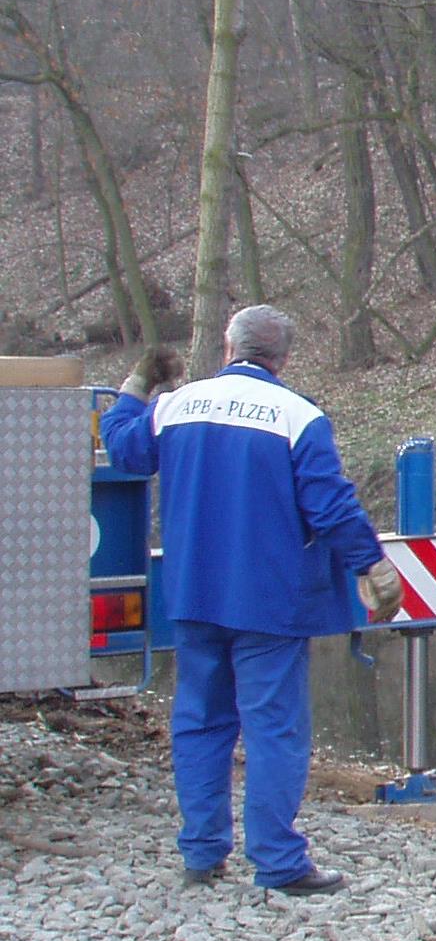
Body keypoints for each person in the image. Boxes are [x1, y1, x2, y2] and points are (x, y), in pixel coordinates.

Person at [100, 305, 401, 896]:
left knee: (200, 722)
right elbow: (330, 506)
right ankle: (279, 862)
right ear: (283, 358)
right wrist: (372, 563)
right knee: (273, 728)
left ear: (226, 345)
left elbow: (122, 451)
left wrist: (137, 385)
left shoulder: (174, 406)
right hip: (270, 601)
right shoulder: (298, 417)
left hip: (192, 593)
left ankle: (202, 855)